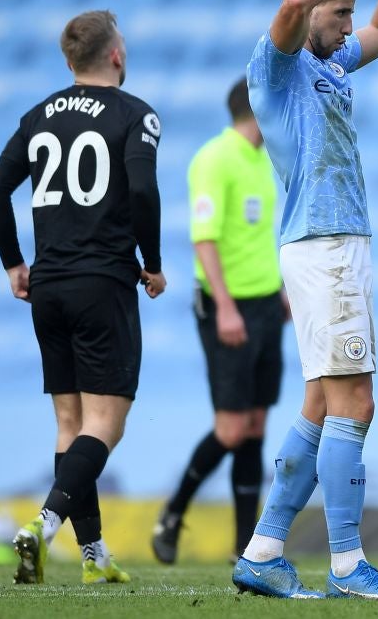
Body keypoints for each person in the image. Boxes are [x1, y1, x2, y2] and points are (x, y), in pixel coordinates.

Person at [230, 0, 378, 601]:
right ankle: (347, 565)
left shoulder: (331, 61)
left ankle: (264, 550)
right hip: (323, 243)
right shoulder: (273, 67)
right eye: (338, 11)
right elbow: (293, 2)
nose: (347, 24)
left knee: (319, 402)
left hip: (336, 243)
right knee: (356, 402)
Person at [0, 9, 166, 585]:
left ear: (69, 62)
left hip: (48, 284)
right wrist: (153, 264)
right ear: (116, 55)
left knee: (70, 422)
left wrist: (15, 262)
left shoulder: (37, 116)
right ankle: (43, 523)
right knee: (106, 424)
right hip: (101, 281)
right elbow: (141, 187)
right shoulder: (137, 114)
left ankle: (93, 557)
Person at [152, 79, 288, 565]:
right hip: (225, 306)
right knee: (230, 429)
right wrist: (227, 307)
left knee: (254, 426)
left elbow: (253, 237)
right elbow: (204, 238)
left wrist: (280, 291)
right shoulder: (214, 158)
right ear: (257, 107)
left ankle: (244, 547)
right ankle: (172, 514)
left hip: (266, 302)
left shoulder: (261, 160)